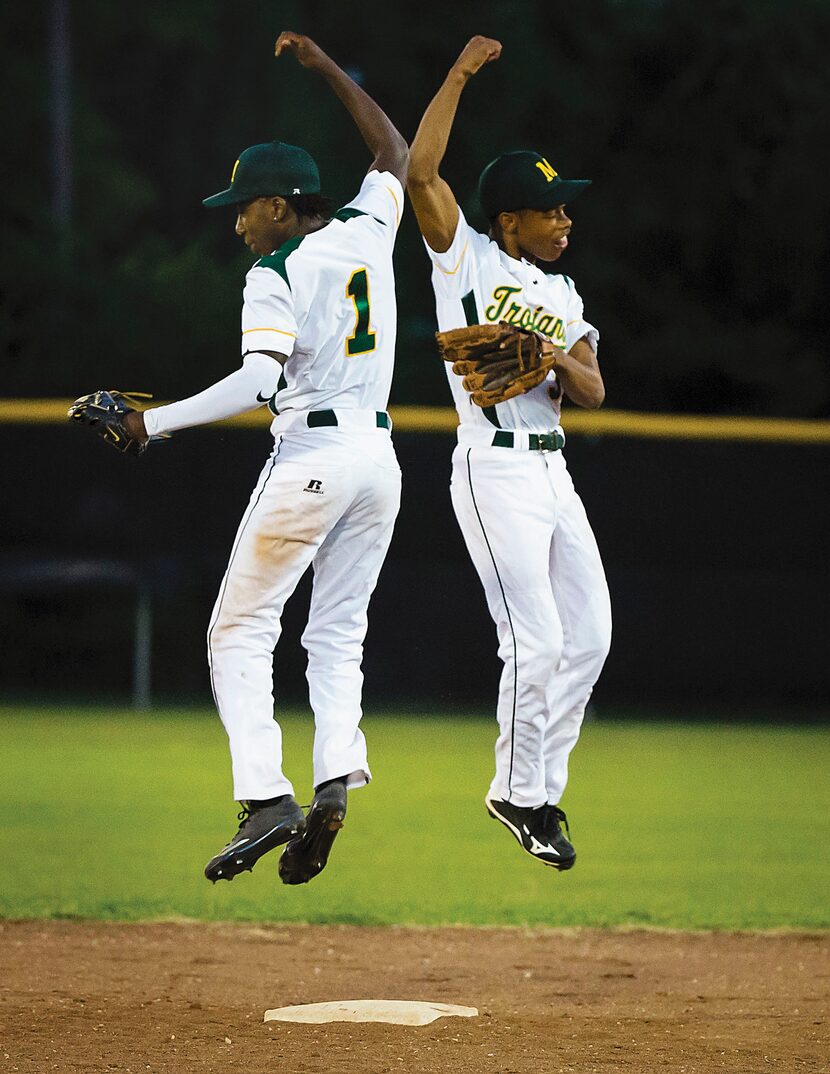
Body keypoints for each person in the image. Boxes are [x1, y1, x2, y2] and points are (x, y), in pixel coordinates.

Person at [122, 32, 408, 886]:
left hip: (314, 454)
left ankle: (265, 798)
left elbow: (257, 380)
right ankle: (332, 788)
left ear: (282, 206)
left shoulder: (276, 269)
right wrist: (328, 73)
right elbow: (394, 151)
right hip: (381, 461)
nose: (239, 220)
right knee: (337, 636)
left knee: (239, 630)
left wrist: (152, 424)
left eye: (245, 206)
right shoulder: (367, 228)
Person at [407, 36, 611, 871]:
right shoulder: (468, 258)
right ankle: (517, 792)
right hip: (492, 465)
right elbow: (421, 173)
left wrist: (552, 355)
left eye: (565, 208)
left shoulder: (562, 292)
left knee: (590, 636)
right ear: (508, 220)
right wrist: (455, 75)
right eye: (550, 208)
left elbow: (593, 389)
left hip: (552, 467)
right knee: (534, 640)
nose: (564, 219)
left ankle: (537, 792)